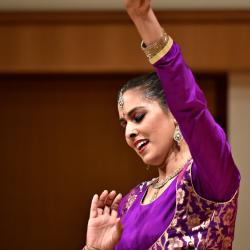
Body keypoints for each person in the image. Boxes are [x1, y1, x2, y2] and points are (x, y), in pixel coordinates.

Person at [82, 1, 241, 249]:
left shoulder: (209, 177)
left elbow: (191, 107)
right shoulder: (129, 202)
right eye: (124, 124)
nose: (129, 132)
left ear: (175, 114)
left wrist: (144, 20)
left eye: (138, 117)